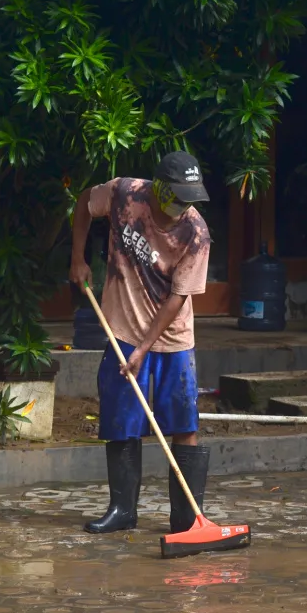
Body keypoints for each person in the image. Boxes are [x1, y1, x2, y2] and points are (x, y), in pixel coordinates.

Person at [69, 151, 212, 535]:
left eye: (190, 199)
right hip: (121, 327)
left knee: (183, 421)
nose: (183, 206)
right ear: (160, 189)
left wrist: (144, 348)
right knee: (121, 419)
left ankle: (186, 519)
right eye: (177, 197)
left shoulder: (196, 234)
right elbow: (84, 202)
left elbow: (178, 297)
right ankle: (122, 510)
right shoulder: (123, 194)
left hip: (171, 336)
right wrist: (77, 257)